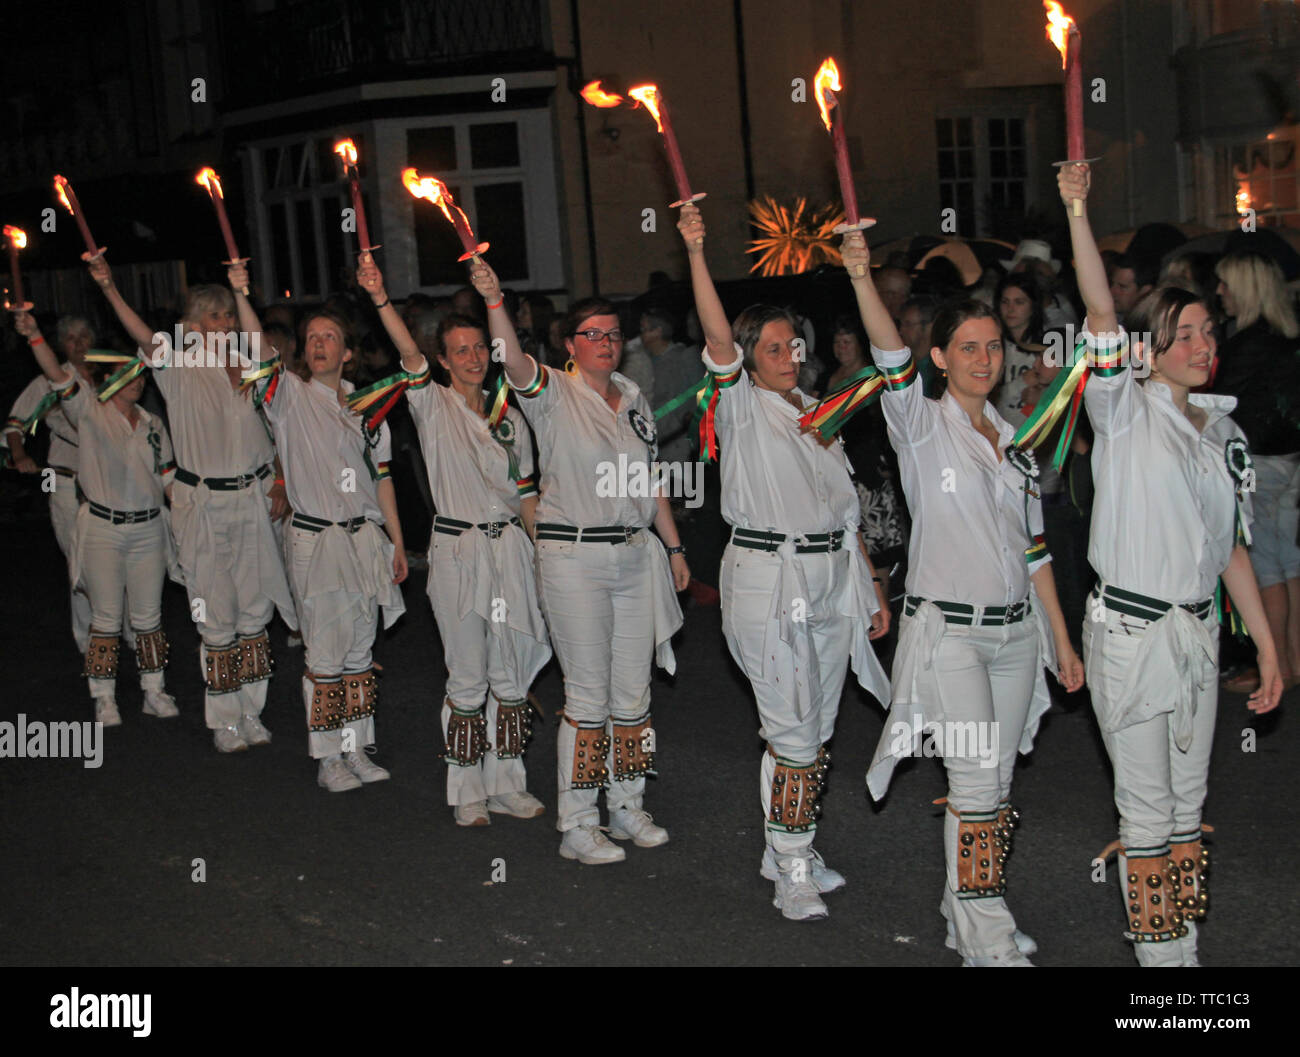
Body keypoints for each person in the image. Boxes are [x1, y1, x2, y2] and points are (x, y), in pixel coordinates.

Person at [1058, 162, 1282, 967]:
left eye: (1208, 332)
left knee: (1190, 810)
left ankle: (1178, 951)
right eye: (1181, 334)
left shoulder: (1221, 434)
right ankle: (1167, 978)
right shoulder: (1123, 410)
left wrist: (1267, 646)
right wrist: (1079, 211)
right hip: (1128, 635)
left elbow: (1230, 550)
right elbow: (1098, 308)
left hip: (1195, 640)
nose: (1201, 345)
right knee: (1148, 812)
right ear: (1147, 354)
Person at [850, 232, 1084, 966]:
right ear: (941, 358)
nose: (984, 358)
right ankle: (986, 933)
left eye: (992, 346)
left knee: (995, 783)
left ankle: (964, 906)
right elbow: (889, 357)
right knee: (979, 781)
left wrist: (1061, 639)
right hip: (948, 636)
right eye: (969, 347)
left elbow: (1035, 549)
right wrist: (861, 277)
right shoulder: (919, 425)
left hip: (1016, 637)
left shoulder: (1016, 439)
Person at [678, 204, 891, 921]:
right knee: (796, 733)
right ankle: (792, 868)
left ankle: (785, 846)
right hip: (770, 578)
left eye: (793, 344)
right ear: (748, 355)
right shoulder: (739, 404)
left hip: (832, 574)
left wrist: (868, 583)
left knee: (815, 730)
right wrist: (697, 253)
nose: (788, 354)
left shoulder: (817, 410)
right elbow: (714, 333)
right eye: (772, 346)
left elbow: (844, 506)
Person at [482, 259, 690, 866]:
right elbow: (510, 359)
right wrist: (494, 298)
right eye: (592, 334)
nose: (605, 343)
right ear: (570, 345)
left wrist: (673, 547)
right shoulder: (550, 391)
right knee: (589, 696)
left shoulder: (632, 398)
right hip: (573, 556)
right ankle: (578, 822)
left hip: (633, 555)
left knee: (634, 695)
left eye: (612, 334)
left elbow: (650, 480)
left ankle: (626, 806)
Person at [357, 254, 551, 825]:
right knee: (467, 676)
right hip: (458, 550)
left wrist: (545, 557)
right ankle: (467, 790)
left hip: (510, 548)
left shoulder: (510, 416)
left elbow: (529, 496)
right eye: (459, 350)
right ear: (442, 361)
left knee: (511, 674)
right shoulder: (431, 403)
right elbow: (406, 354)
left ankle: (508, 781)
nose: (471, 358)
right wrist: (380, 299)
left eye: (478, 349)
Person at [87, 254, 296, 753]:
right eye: (214, 317)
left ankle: (252, 709)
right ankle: (224, 717)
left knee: (255, 611)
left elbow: (273, 387)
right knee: (214, 613)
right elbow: (142, 337)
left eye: (228, 317)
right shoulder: (178, 366)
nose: (224, 325)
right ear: (191, 327)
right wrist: (110, 287)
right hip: (201, 502)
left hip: (251, 498)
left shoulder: (252, 366)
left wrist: (242, 293)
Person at [239, 263, 407, 792]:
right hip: (315, 538)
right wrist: (243, 293)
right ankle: (327, 757)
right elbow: (258, 351)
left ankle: (356, 749)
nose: (319, 345)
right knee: (325, 655)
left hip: (364, 540)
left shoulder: (366, 406)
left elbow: (383, 481)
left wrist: (398, 542)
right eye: (311, 338)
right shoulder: (287, 397)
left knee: (360, 653)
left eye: (329, 337)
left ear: (348, 352)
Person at [15, 313, 179, 725]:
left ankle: (154, 689)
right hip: (102, 527)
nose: (137, 381)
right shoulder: (88, 411)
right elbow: (56, 376)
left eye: (141, 375)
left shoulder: (153, 424)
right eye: (126, 374)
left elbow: (169, 478)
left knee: (148, 617)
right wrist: (35, 336)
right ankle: (104, 696)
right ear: (109, 379)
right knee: (105, 616)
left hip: (147, 529)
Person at [1211, 252, 1300, 693]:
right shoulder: (1285, 334)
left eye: (1225, 284)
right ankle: (1293, 659)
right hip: (1287, 459)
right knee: (1288, 561)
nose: (1219, 292)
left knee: (1264, 565)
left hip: (1259, 463)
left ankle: (1277, 665)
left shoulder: (1250, 342)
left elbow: (1222, 403)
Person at [3, 315, 97, 654]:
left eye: (84, 336)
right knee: (79, 564)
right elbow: (14, 424)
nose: (79, 344)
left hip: (107, 482)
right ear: (61, 345)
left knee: (116, 557)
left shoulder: (108, 375)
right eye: (71, 338)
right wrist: (19, 456)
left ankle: (128, 629)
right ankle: (89, 642)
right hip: (61, 478)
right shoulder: (48, 379)